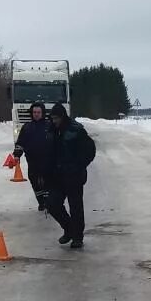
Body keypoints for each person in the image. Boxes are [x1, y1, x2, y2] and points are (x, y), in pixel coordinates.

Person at [45, 103, 96, 250]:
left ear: (62, 117)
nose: (54, 121)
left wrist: (78, 166)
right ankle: (69, 229)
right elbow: (48, 153)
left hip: (74, 176)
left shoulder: (76, 129)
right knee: (52, 204)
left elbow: (90, 150)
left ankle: (77, 237)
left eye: (56, 118)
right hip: (57, 177)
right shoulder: (51, 130)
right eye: (52, 118)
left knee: (76, 208)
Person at [13, 102, 54, 211]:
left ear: (42, 113)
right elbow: (20, 143)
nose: (36, 114)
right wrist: (17, 155)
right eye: (34, 112)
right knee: (35, 182)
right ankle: (41, 202)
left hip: (48, 161)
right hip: (33, 161)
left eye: (38, 112)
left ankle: (49, 202)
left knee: (48, 182)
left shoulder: (49, 126)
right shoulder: (27, 127)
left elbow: (57, 141)